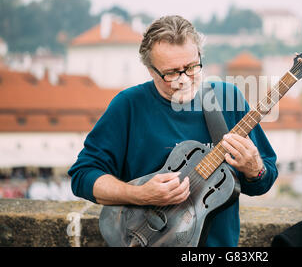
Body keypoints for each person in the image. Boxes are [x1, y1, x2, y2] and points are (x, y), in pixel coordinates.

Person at [68, 15, 278, 247]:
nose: (184, 79)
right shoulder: (128, 105)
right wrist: (139, 194)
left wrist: (254, 170)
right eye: (171, 73)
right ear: (150, 70)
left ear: (200, 57)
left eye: (191, 67)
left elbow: (263, 180)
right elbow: (83, 176)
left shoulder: (227, 98)